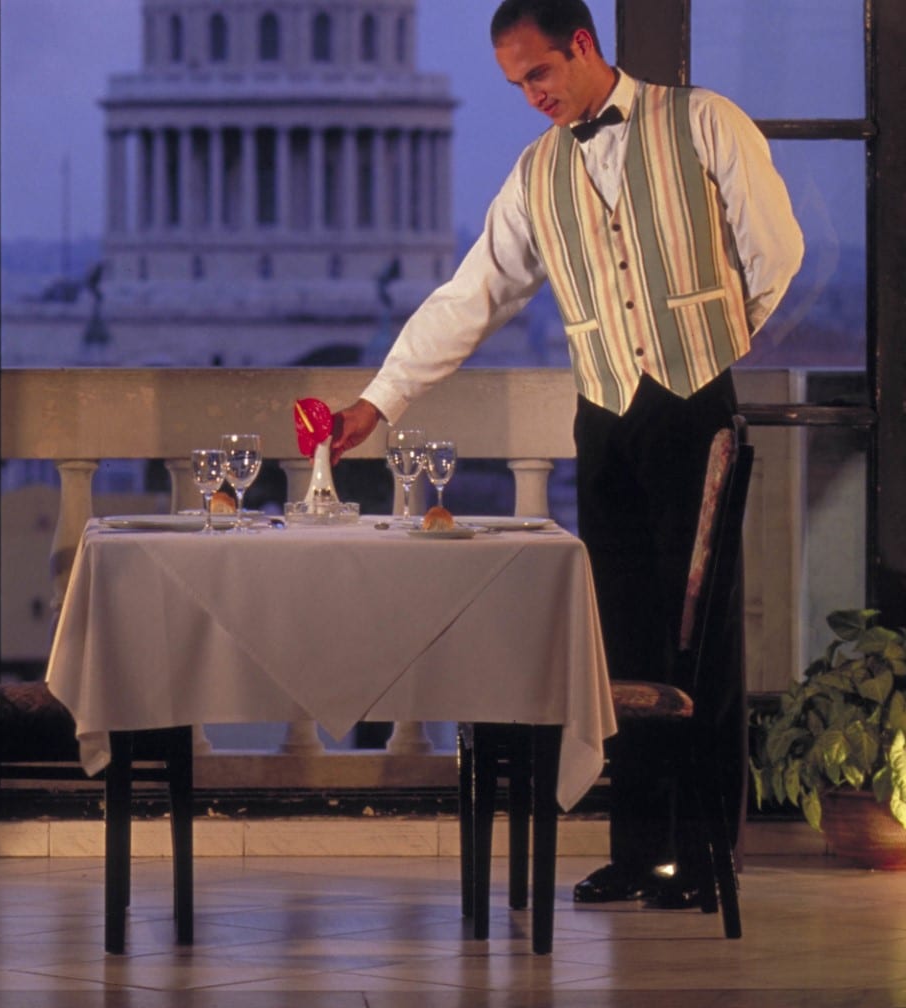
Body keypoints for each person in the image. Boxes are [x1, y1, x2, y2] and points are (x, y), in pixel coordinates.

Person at [331, 0, 803, 906]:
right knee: (619, 637)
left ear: (583, 45)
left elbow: (773, 249)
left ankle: (704, 856)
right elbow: (471, 296)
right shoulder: (536, 172)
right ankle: (641, 853)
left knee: (701, 638)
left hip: (695, 402)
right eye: (515, 85)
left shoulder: (704, 119)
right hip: (606, 417)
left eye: (538, 75)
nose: (530, 98)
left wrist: (714, 342)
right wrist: (376, 403)